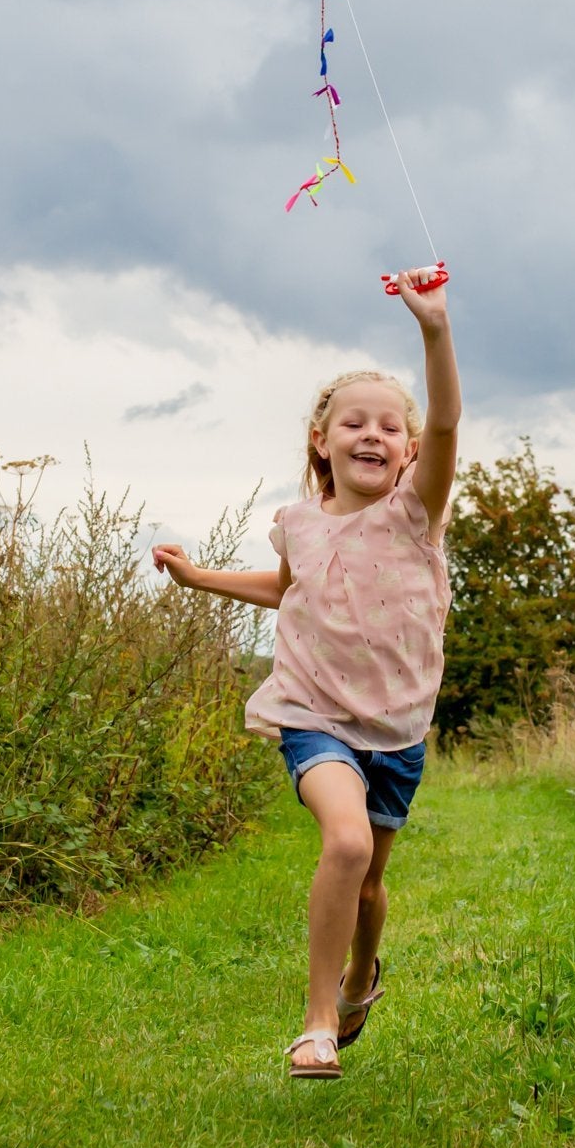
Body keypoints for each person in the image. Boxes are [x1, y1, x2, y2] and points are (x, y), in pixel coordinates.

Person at [152, 268, 460, 1080]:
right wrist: (200, 578)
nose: (372, 434)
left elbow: (450, 421)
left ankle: (362, 976)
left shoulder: (415, 516)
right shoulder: (300, 524)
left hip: (397, 727)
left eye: (390, 427)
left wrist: (434, 329)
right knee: (346, 840)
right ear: (319, 443)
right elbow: (287, 590)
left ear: (410, 451)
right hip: (313, 710)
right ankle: (317, 1022)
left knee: (367, 885)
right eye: (352, 422)